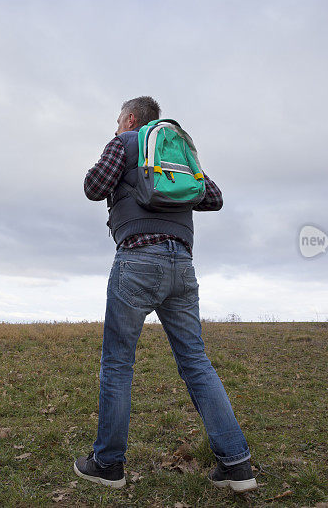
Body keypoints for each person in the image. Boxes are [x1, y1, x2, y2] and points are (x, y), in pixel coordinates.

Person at [73, 96, 257, 492]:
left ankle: (108, 465)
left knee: (118, 363)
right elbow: (214, 197)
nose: (116, 127)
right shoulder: (175, 151)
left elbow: (93, 187)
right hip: (182, 264)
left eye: (118, 120)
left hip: (137, 260)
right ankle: (237, 465)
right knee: (195, 362)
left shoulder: (125, 143)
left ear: (131, 118)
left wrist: (125, 172)